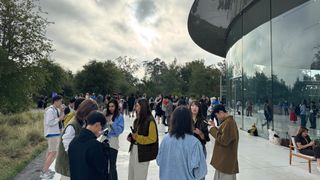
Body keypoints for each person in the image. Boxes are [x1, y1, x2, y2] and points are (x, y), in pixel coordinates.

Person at [157, 106, 207, 180]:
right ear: (189, 121)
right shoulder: (194, 143)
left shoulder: (165, 139)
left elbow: (159, 161)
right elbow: (200, 172)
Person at [55, 98, 97, 180]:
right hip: (68, 168)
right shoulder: (72, 125)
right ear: (86, 111)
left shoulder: (82, 122)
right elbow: (69, 149)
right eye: (92, 114)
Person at [68, 111, 108, 180]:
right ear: (97, 125)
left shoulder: (74, 141)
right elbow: (102, 168)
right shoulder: (95, 145)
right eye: (101, 127)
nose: (100, 130)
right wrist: (105, 148)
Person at [127, 98, 159, 180]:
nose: (135, 108)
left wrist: (137, 137)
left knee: (139, 177)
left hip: (143, 153)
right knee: (131, 176)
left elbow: (153, 139)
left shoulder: (150, 121)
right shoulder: (137, 120)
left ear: (143, 107)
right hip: (134, 150)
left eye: (137, 106)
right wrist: (132, 138)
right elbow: (137, 135)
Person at [208, 104, 239, 180]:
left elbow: (224, 140)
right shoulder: (228, 122)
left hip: (225, 162)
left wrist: (212, 129)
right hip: (225, 160)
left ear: (221, 112)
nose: (217, 117)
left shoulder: (229, 123)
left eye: (217, 115)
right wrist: (214, 127)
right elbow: (224, 135)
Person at [41, 95, 65, 179]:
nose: (61, 103)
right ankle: (44, 172)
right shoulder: (50, 110)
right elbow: (49, 123)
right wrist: (59, 119)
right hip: (52, 134)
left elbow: (61, 118)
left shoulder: (56, 109)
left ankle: (46, 170)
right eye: (60, 101)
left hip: (55, 133)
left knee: (50, 152)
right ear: (56, 101)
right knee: (52, 153)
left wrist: (62, 112)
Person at [105, 99, 125, 180]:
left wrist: (112, 123)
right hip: (104, 141)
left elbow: (118, 132)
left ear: (116, 107)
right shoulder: (106, 115)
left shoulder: (120, 117)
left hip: (113, 142)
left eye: (112, 106)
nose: (110, 108)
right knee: (105, 164)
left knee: (112, 165)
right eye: (109, 106)